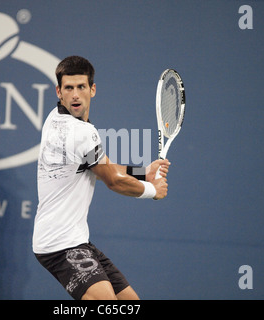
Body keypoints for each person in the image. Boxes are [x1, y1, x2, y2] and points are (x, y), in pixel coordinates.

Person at [32, 56, 171, 300]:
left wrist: (143, 172)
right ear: (59, 91)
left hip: (76, 239)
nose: (75, 95)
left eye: (81, 87)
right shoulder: (81, 132)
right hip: (59, 244)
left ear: (92, 89)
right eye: (68, 88)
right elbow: (113, 181)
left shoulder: (55, 117)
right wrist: (152, 190)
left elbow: (101, 167)